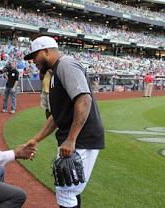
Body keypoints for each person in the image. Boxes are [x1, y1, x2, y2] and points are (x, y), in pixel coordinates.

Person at [24, 36, 104, 208]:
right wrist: (36, 139)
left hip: (81, 139)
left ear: (46, 50)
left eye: (34, 55)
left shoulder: (66, 64)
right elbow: (56, 116)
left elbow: (84, 100)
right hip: (75, 139)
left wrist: (71, 139)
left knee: (66, 190)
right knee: (71, 187)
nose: (33, 61)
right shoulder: (54, 72)